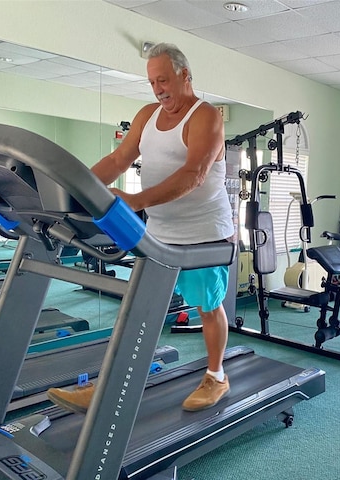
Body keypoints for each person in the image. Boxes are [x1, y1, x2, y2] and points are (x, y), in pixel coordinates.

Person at [47, 42, 234, 413]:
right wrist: (74, 189)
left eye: (163, 80)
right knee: (139, 307)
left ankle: (216, 376)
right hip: (159, 234)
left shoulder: (206, 116)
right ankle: (107, 383)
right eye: (152, 82)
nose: (158, 89)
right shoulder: (147, 115)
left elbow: (194, 174)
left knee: (207, 307)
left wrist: (136, 201)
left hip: (204, 235)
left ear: (184, 75)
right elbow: (118, 159)